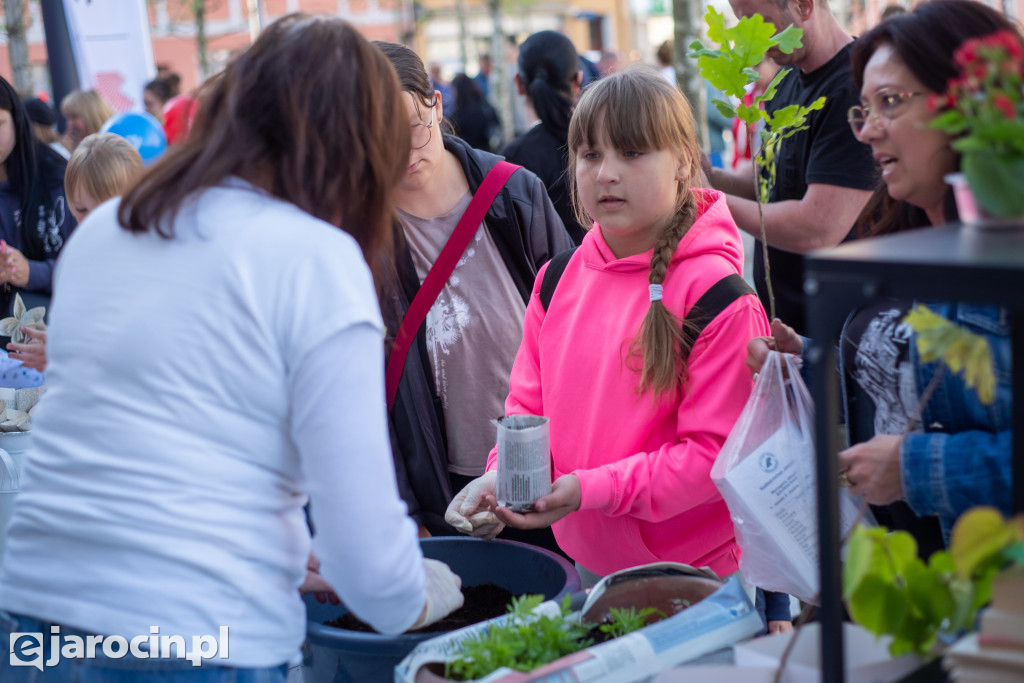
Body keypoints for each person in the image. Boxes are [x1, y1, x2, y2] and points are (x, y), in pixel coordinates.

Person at [0, 15, 463, 681]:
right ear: (352, 146)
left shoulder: (109, 230)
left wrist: (280, 544)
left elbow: (156, 442)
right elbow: (366, 552)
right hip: (198, 637)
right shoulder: (314, 259)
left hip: (39, 620)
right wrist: (414, 591)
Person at [446, 66, 790, 630]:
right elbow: (525, 409)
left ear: (683, 161)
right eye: (589, 155)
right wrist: (502, 479)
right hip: (591, 572)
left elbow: (712, 460)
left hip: (701, 584)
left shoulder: (718, 296)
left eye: (632, 153)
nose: (606, 173)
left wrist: (589, 490)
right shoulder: (556, 279)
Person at [747, 0, 1016, 550]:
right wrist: (809, 360)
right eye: (863, 110)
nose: (867, 132)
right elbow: (906, 377)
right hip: (910, 594)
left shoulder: (1006, 264)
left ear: (966, 103)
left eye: (889, 103)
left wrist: (917, 469)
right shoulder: (901, 239)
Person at [373, 41, 573, 549]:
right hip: (445, 480)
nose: (403, 149)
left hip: (546, 458)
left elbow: (576, 321)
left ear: (437, 105)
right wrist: (401, 508)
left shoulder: (515, 193)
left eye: (413, 124)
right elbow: (366, 390)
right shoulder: (361, 236)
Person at [707, 0, 877, 334]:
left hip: (840, 331)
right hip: (786, 325)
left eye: (760, 22)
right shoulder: (785, 80)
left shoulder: (855, 87)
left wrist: (712, 201)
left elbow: (818, 228)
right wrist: (710, 176)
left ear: (803, 5)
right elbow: (766, 178)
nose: (750, 39)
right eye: (741, 24)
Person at [6, 133, 145, 372]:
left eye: (106, 209)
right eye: (81, 210)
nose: (93, 221)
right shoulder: (80, 256)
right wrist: (59, 348)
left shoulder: (151, 260)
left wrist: (66, 355)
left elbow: (138, 350)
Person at [0, 79, 77, 320]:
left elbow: (90, 267)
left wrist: (31, 272)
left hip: (54, 331)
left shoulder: (57, 177)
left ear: (17, 121)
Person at [501, 30, 586, 243]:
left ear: (519, 84)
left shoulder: (513, 158)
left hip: (548, 274)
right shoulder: (607, 140)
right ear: (578, 80)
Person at [448, 73, 500, 152]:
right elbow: (496, 123)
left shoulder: (457, 115)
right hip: (489, 154)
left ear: (458, 91)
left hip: (468, 158)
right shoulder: (484, 105)